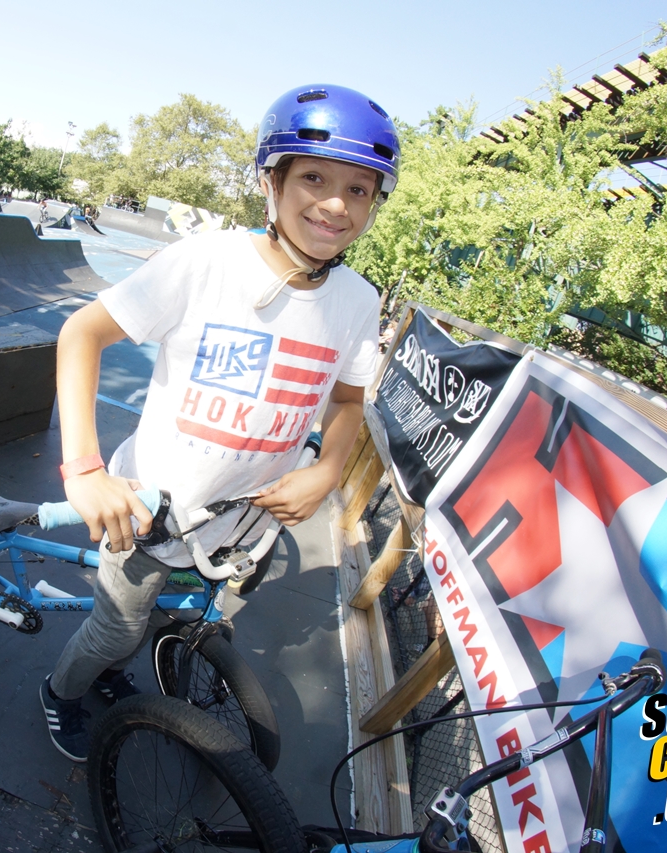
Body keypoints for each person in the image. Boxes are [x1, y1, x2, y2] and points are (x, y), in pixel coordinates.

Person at [38, 84, 398, 762]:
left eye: (359, 189)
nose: (335, 204)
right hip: (147, 512)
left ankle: (111, 668)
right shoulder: (207, 262)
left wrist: (326, 470)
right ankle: (60, 691)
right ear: (272, 181)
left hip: (238, 523)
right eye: (314, 179)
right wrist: (83, 469)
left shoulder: (357, 300)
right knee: (116, 629)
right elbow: (82, 332)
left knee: (164, 612)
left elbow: (348, 401)